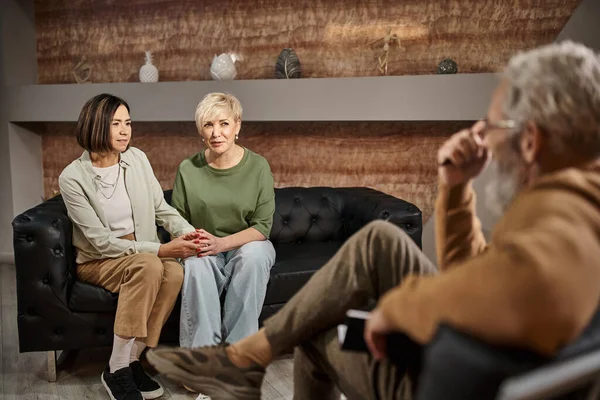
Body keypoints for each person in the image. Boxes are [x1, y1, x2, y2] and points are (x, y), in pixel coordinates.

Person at [147, 40, 600, 400]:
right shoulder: (565, 192)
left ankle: (242, 360)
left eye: (496, 127)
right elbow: (478, 272)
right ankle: (246, 355)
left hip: (451, 378)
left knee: (318, 330)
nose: (484, 139)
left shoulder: (566, 218)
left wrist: (398, 314)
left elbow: (514, 293)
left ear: (532, 139)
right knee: (379, 238)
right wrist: (458, 189)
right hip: (476, 351)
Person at [59, 93, 201, 400]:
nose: (125, 131)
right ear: (96, 125)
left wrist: (189, 234)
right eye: (116, 124)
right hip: (99, 259)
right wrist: (161, 250)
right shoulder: (72, 177)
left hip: (140, 251)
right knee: (152, 264)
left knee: (174, 272)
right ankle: (117, 369)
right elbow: (98, 241)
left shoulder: (137, 159)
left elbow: (160, 208)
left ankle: (131, 359)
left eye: (128, 123)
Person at [172, 93, 275, 347]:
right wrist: (202, 244)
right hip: (203, 246)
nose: (216, 133)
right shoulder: (188, 169)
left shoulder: (259, 166)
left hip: (245, 244)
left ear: (237, 125)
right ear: (201, 131)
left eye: (224, 123)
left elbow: (262, 227)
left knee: (256, 256)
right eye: (209, 125)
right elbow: (178, 221)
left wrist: (222, 244)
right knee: (196, 265)